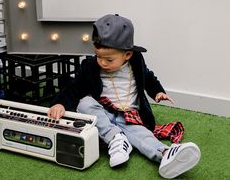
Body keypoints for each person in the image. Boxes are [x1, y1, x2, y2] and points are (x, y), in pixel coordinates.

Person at [48, 14, 201, 178]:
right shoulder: (91, 66)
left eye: (109, 59)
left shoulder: (136, 62)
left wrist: (157, 91)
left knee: (142, 135)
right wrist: (60, 104)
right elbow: (75, 87)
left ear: (127, 55)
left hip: (129, 115)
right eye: (98, 56)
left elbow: (149, 77)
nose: (102, 63)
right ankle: (116, 139)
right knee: (84, 103)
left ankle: (165, 154)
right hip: (102, 113)